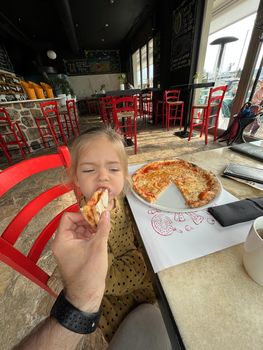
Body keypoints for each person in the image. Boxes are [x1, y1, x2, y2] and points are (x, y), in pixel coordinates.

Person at [13, 211, 171, 350]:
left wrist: (79, 305)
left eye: (115, 173)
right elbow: (127, 272)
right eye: (89, 173)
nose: (104, 177)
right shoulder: (91, 241)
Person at [59, 127, 156, 341]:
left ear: (125, 172)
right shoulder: (87, 228)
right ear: (75, 178)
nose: (103, 177)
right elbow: (105, 278)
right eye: (88, 170)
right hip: (119, 298)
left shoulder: (121, 199)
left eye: (113, 169)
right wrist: (143, 264)